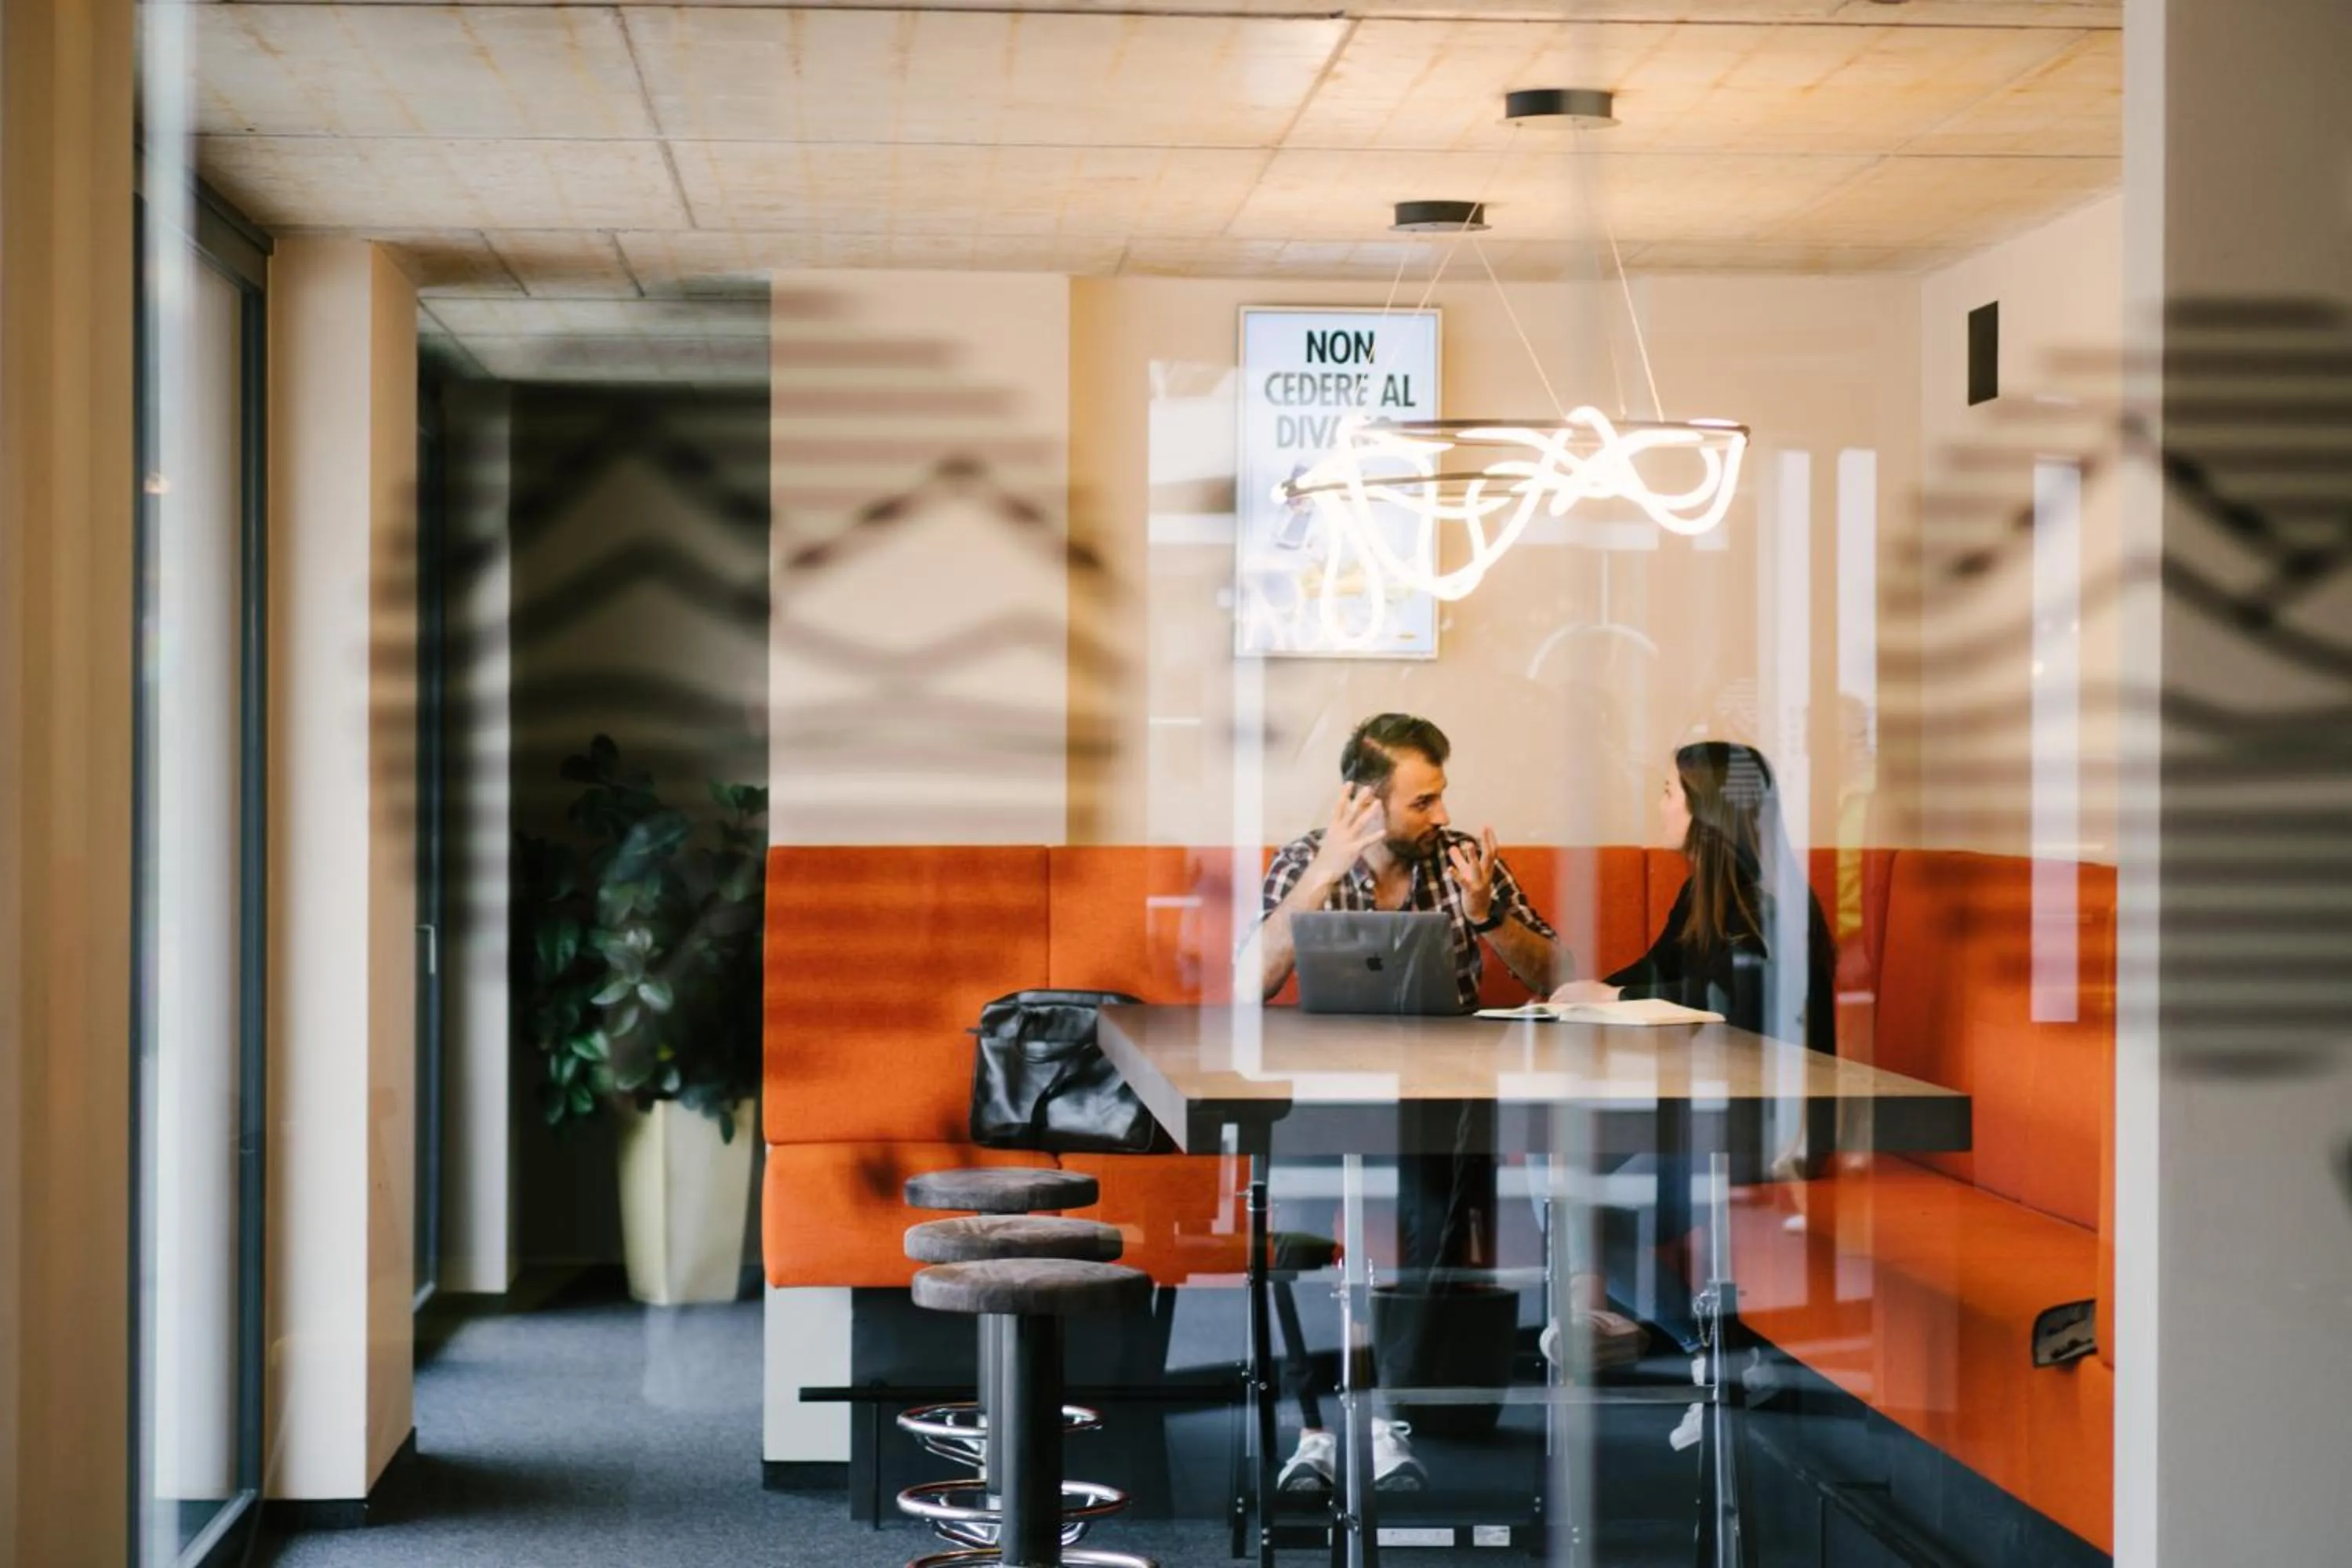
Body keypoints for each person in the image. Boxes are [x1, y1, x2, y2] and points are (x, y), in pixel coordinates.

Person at [1239, 713, 1574, 1495]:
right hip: (1324, 1092)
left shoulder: (1462, 861)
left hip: (1440, 1099)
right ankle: (1314, 1426)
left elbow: (1561, 975)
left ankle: (1391, 1416)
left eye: (1440, 796)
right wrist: (1323, 870)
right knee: (1287, 1223)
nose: (1442, 816)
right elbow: (1249, 982)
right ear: (1365, 799)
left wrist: (1490, 914)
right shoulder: (1306, 859)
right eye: (1423, 801)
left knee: (1432, 1219)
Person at [1548, 740, 1835, 1395]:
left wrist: (1612, 997)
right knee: (1561, 1164)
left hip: (1768, 1127)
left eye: (1670, 792)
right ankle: (1638, 1329)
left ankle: (1708, 1346)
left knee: (1584, 1209)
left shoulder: (1758, 904)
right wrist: (1575, 994)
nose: (1661, 803)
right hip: (1710, 1114)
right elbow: (1658, 973)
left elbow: (1725, 1010)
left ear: (1704, 809)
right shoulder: (1706, 893)